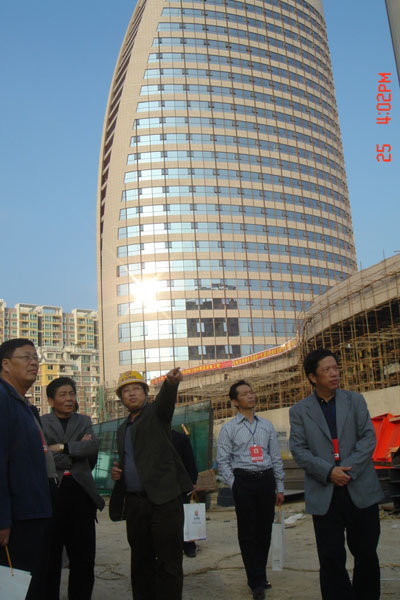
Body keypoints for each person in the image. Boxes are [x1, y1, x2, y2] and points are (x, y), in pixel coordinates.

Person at [289, 349, 384, 600]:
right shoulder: (300, 411)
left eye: (336, 368)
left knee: (366, 553)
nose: (334, 373)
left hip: (359, 486)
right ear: (313, 377)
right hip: (325, 492)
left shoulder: (355, 401)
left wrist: (347, 470)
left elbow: (368, 438)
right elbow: (299, 449)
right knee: (330, 557)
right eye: (326, 370)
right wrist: (329, 472)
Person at [109, 368, 193, 600]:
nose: (131, 393)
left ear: (146, 393)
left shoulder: (157, 415)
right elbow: (130, 460)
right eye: (126, 391)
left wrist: (170, 384)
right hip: (135, 504)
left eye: (136, 388)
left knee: (169, 562)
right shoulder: (121, 430)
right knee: (140, 561)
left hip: (164, 501)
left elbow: (166, 401)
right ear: (121, 398)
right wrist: (119, 473)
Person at [217, 380, 284, 600]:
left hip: (265, 480)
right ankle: (254, 581)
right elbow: (223, 461)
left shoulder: (266, 426)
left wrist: (279, 487)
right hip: (243, 481)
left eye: (251, 392)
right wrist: (235, 485)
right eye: (245, 394)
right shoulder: (229, 428)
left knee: (264, 531)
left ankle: (260, 575)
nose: (251, 396)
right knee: (248, 533)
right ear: (235, 401)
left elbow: (275, 457)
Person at [42, 376, 105, 600]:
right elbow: (44, 457)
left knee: (83, 557)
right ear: (51, 400)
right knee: (51, 556)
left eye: (72, 393)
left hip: (81, 494)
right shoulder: (41, 422)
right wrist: (76, 451)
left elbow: (92, 449)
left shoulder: (84, 420)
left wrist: (60, 447)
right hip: (54, 493)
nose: (69, 398)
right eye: (63, 395)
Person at [0, 338, 53, 599]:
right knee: (15, 589)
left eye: (36, 358)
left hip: (33, 513)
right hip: (16, 520)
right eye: (26, 357)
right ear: (5, 364)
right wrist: (2, 519)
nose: (34, 363)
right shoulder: (2, 399)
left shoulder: (24, 405)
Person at [171, 428, 198, 557]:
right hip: (161, 487)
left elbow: (190, 461)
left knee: (185, 516)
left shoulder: (181, 439)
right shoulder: (152, 439)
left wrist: (193, 481)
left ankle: (189, 545)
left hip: (181, 486)